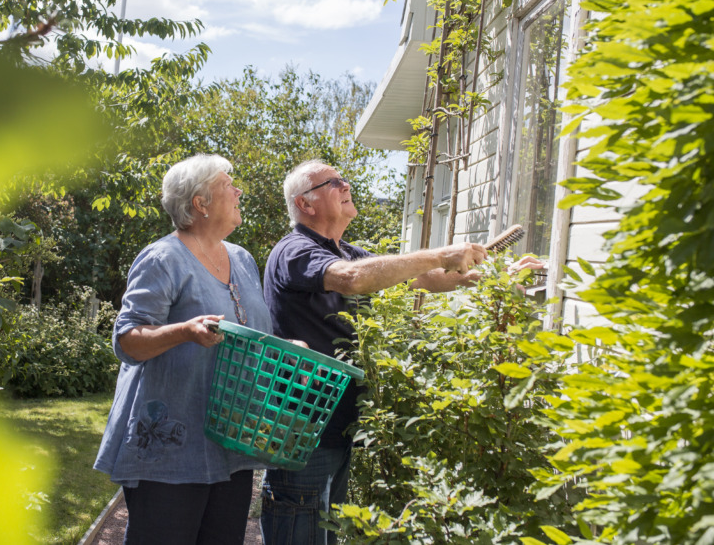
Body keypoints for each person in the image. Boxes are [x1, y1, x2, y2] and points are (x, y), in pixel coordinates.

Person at [260, 160, 544, 545]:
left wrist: (494, 277)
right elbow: (354, 279)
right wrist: (441, 253)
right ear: (305, 204)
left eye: (344, 179)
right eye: (333, 182)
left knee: (324, 532)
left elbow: (422, 277)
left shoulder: (343, 251)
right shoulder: (295, 250)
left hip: (336, 422)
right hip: (303, 424)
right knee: (299, 530)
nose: (346, 185)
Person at [94, 154, 273, 545]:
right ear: (200, 202)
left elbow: (251, 332)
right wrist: (184, 331)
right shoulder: (163, 258)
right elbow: (127, 340)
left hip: (230, 439)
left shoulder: (242, 260)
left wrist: (283, 346)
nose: (239, 191)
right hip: (171, 447)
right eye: (229, 185)